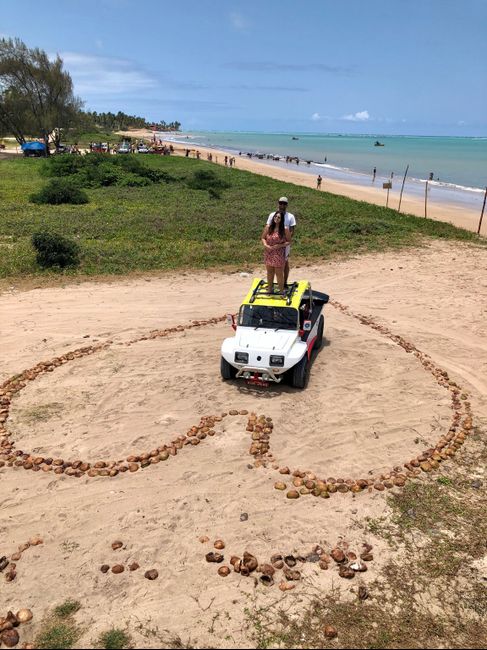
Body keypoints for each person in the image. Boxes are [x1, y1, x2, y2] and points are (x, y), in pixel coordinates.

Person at [264, 197, 296, 286]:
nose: (282, 205)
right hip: (272, 243)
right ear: (278, 203)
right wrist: (268, 242)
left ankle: (284, 282)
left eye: (284, 203)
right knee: (270, 263)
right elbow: (268, 227)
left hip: (284, 243)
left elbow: (292, 230)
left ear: (287, 205)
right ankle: (271, 284)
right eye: (280, 203)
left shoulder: (290, 216)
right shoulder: (272, 215)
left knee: (284, 262)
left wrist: (284, 242)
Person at [261, 212, 291, 295]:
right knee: (269, 272)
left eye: (279, 217)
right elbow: (263, 238)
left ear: (281, 220)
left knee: (279, 273)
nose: (276, 218)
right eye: (275, 216)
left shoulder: (285, 229)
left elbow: (289, 241)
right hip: (269, 252)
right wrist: (265, 245)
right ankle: (270, 289)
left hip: (279, 253)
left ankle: (281, 291)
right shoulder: (268, 227)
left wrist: (279, 245)